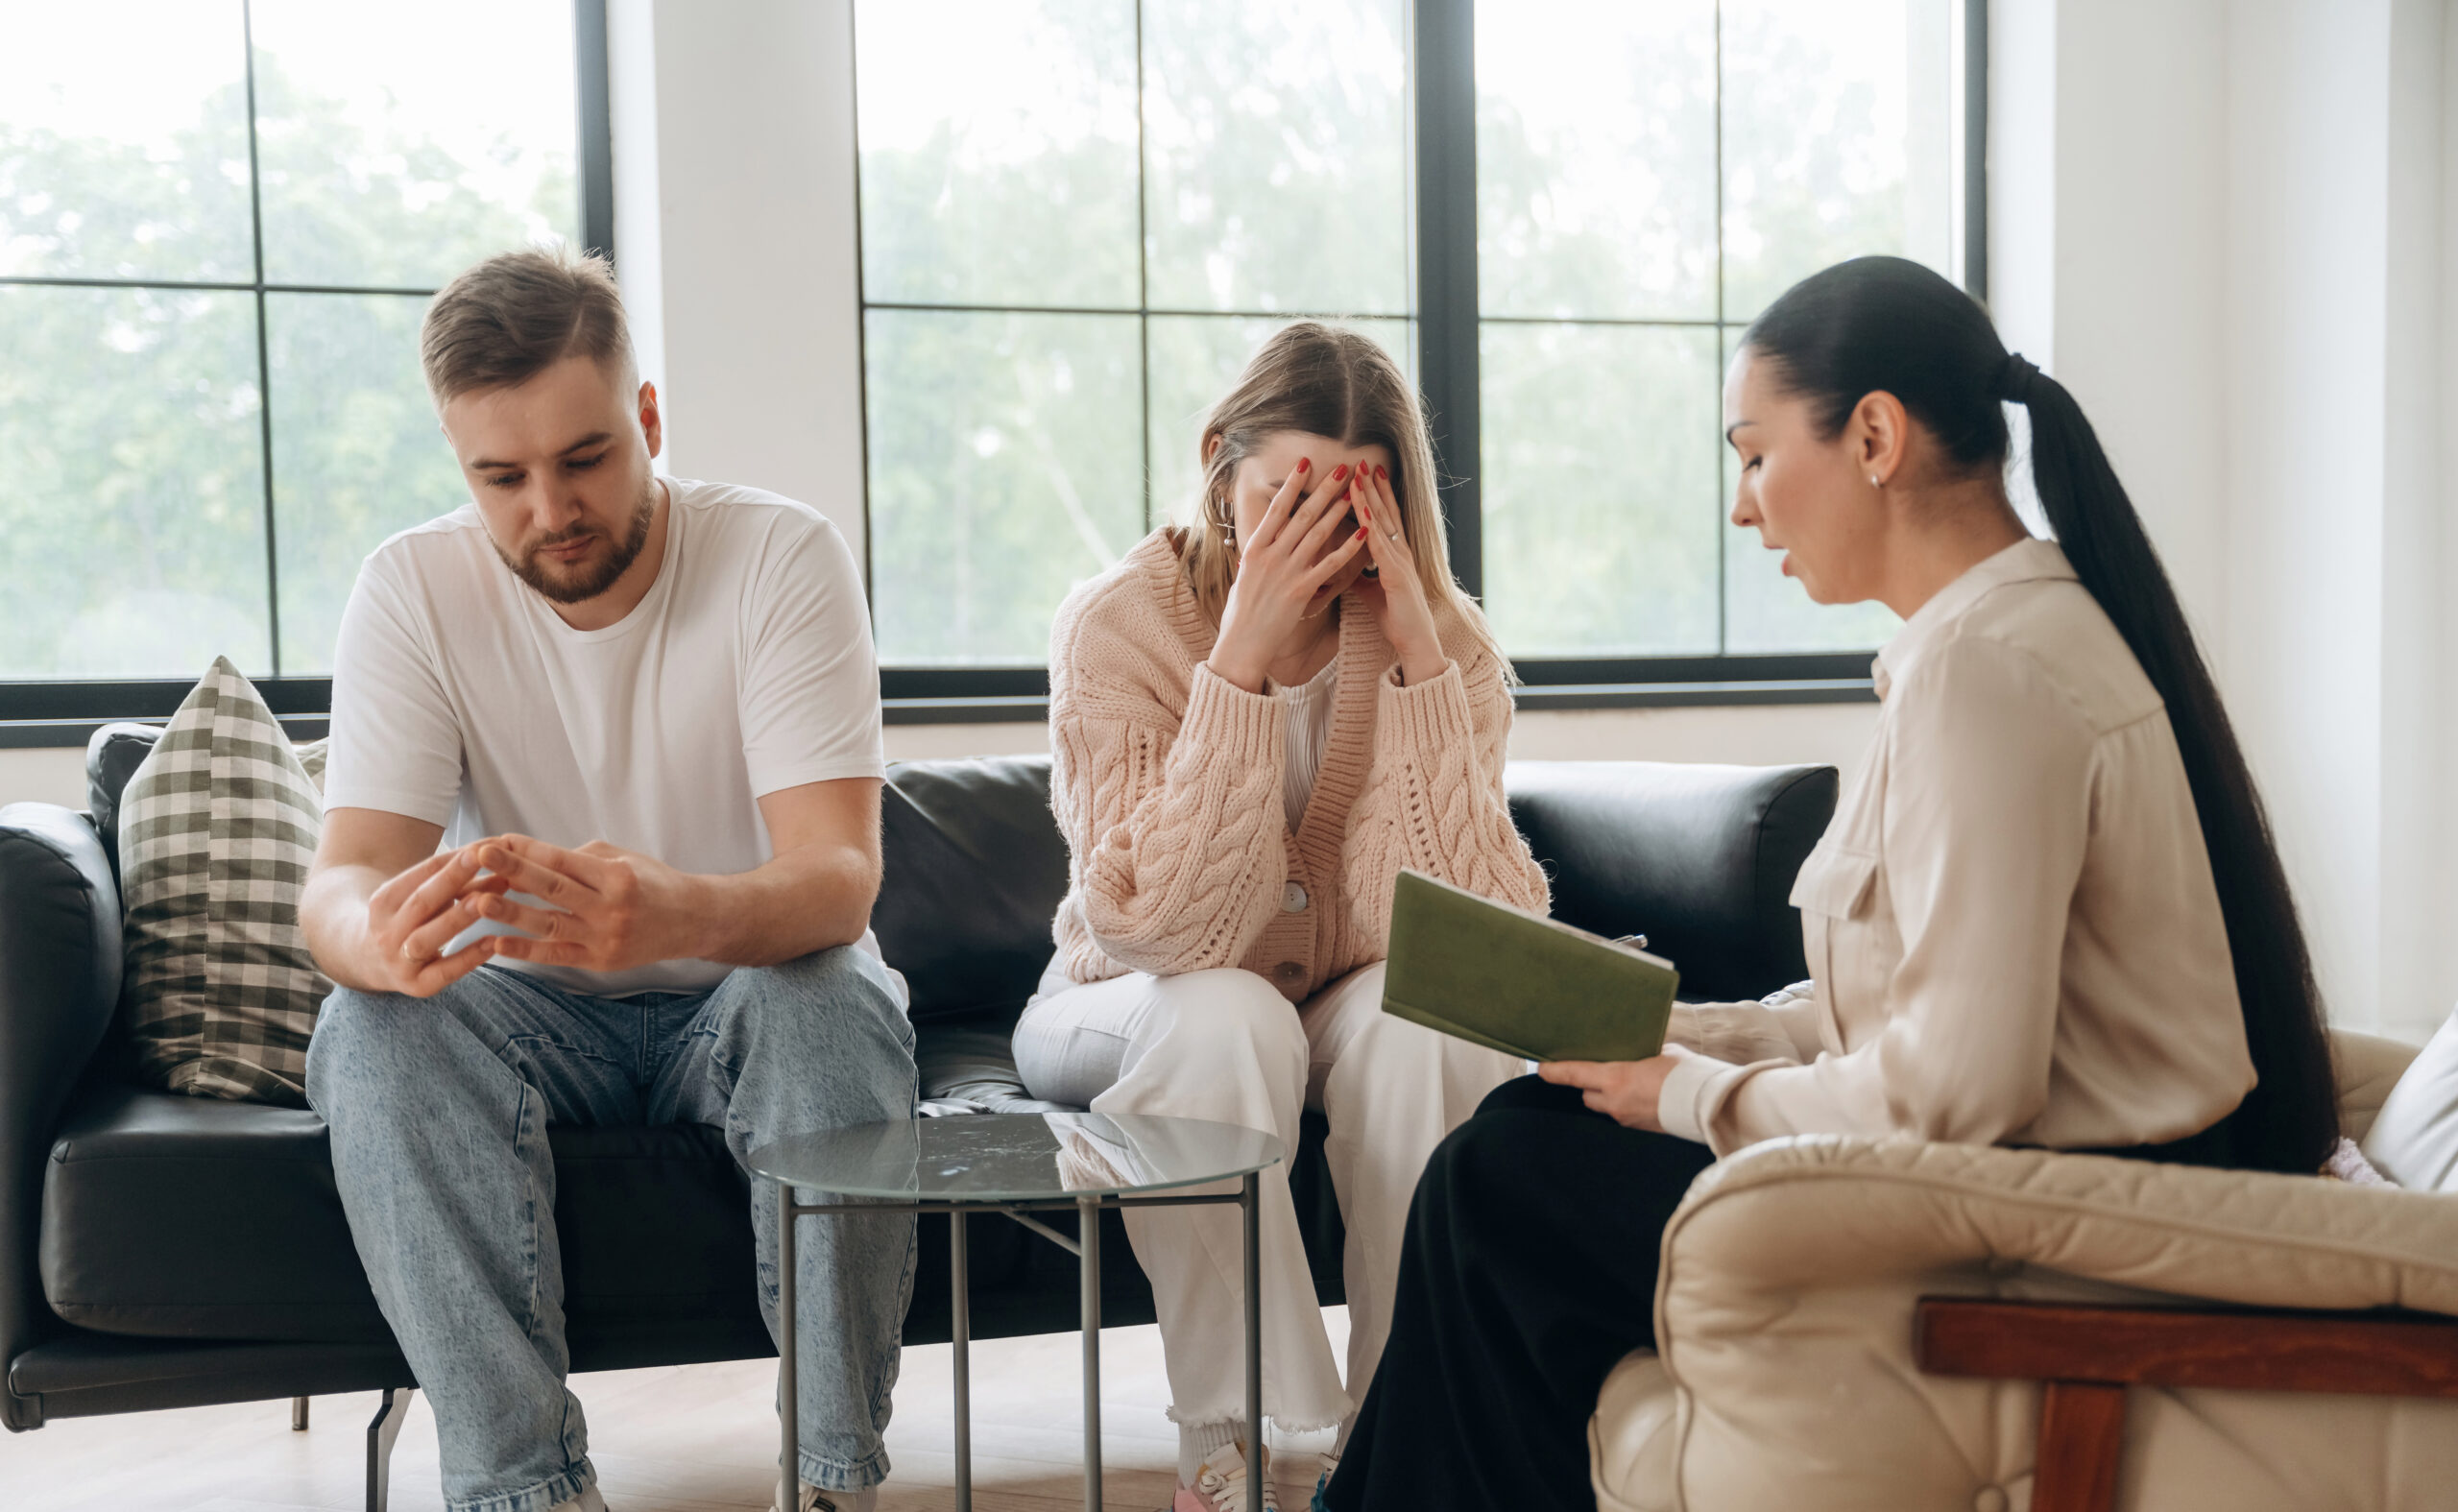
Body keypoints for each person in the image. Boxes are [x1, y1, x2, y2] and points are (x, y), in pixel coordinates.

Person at [1321, 255, 2344, 1512]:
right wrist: (1668, 1036)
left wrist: (1688, 1092)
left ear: (1873, 437)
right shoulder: (1979, 646)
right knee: (1525, 1138)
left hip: (2045, 1226)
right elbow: (1903, 1007)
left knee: (1498, 1186)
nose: (1743, 507)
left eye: (1755, 455)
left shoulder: (1990, 671)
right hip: (2011, 1189)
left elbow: (1959, 1090)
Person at [298, 247, 916, 1512]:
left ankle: (831, 1481)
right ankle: (524, 1491)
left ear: (647, 417)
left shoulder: (779, 555)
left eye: (584, 458)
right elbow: (344, 875)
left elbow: (840, 878)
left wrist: (678, 910)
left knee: (832, 1000)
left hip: (745, 989)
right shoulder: (412, 587)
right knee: (369, 1030)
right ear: (459, 461)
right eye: (502, 477)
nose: (549, 508)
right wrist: (373, 936)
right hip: (528, 1011)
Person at [1017, 322, 1550, 1511]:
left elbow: (1477, 933)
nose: (1319, 535)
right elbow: (1160, 927)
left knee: (1432, 1030)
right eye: (1283, 498)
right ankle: (1228, 1431)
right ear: (1220, 464)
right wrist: (1240, 664)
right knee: (1226, 1014)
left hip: (1334, 995)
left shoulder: (1444, 641)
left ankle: (1398, 1434)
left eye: (1354, 506)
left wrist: (1420, 667)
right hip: (1125, 994)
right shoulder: (1116, 624)